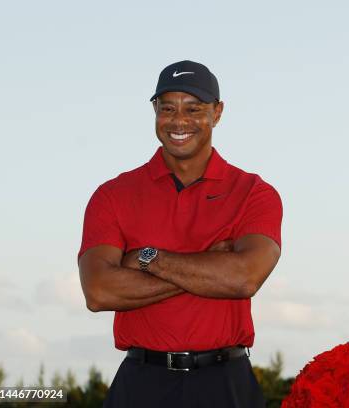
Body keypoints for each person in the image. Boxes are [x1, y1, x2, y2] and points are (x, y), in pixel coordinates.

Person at [77, 60, 282, 407]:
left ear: (217, 113)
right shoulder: (113, 194)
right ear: (155, 110)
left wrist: (147, 259)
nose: (179, 121)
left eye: (194, 108)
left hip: (225, 381)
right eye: (167, 107)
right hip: (142, 380)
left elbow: (245, 278)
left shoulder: (254, 192)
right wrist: (211, 267)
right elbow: (98, 291)